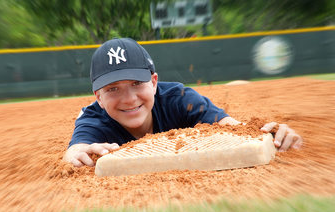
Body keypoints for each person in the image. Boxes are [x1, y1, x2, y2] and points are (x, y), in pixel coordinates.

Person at [64, 38, 303, 167]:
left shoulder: (179, 99)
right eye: (113, 89)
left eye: (137, 83)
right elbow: (75, 149)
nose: (129, 99)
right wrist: (74, 153)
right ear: (98, 97)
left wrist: (268, 135)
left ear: (154, 82)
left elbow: (232, 127)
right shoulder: (94, 119)